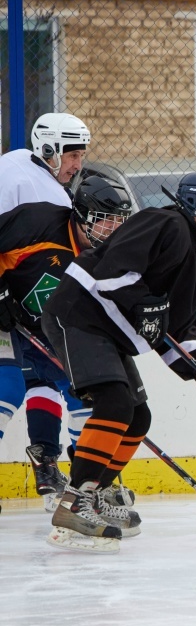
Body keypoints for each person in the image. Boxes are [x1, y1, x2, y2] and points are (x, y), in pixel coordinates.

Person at [39, 172, 196, 553]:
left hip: (107, 331)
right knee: (115, 403)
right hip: (78, 312)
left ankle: (95, 494)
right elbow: (111, 271)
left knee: (138, 416)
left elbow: (176, 334)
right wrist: (144, 301)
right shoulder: (164, 222)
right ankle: (74, 503)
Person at [0, 175, 133, 510]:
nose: (113, 231)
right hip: (4, 314)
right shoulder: (37, 221)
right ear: (84, 217)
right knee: (8, 387)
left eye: (119, 222)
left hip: (43, 324)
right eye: (106, 222)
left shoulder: (106, 257)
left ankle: (82, 484)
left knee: (87, 391)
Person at [0, 113, 92, 488]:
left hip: (28, 305)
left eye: (82, 156)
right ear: (49, 149)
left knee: (57, 378)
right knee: (8, 386)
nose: (77, 165)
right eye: (72, 155)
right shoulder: (15, 174)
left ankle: (59, 465)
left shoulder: (45, 183)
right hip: (9, 302)